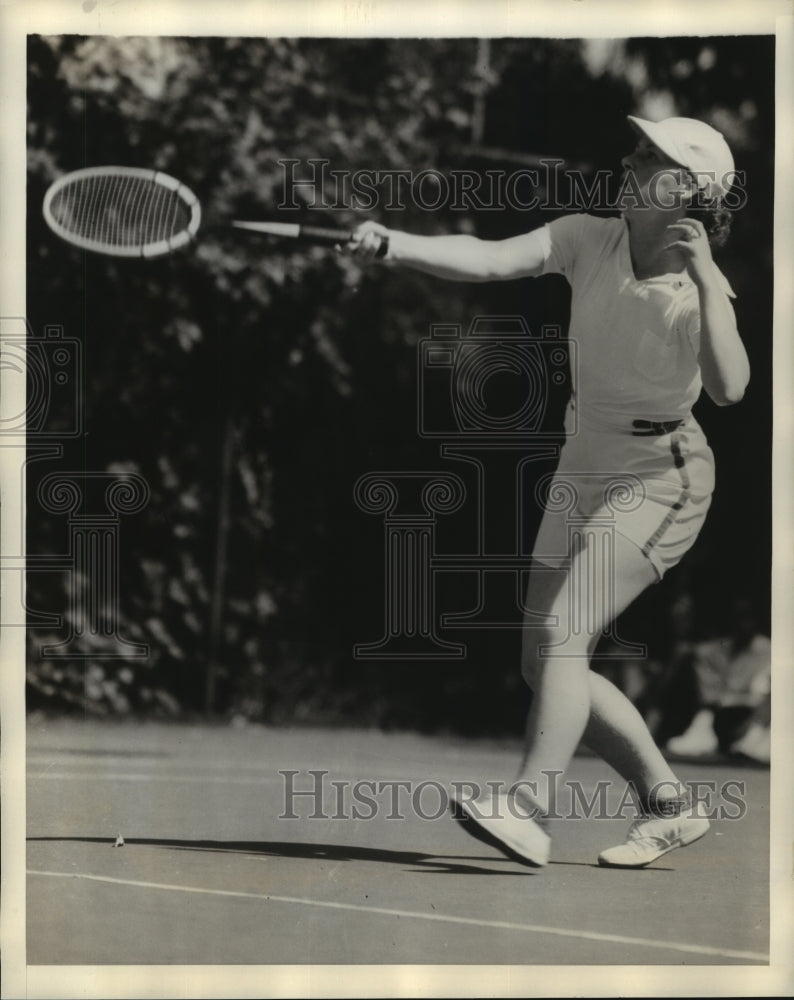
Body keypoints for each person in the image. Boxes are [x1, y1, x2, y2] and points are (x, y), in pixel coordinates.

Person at [347, 115, 750, 868]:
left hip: (664, 472)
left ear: (687, 190)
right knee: (545, 659)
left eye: (649, 156)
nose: (627, 159)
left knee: (566, 635)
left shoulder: (701, 290)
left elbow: (729, 387)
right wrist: (393, 242)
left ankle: (528, 809)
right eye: (635, 147)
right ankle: (668, 804)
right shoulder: (587, 237)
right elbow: (491, 259)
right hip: (582, 460)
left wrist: (707, 282)